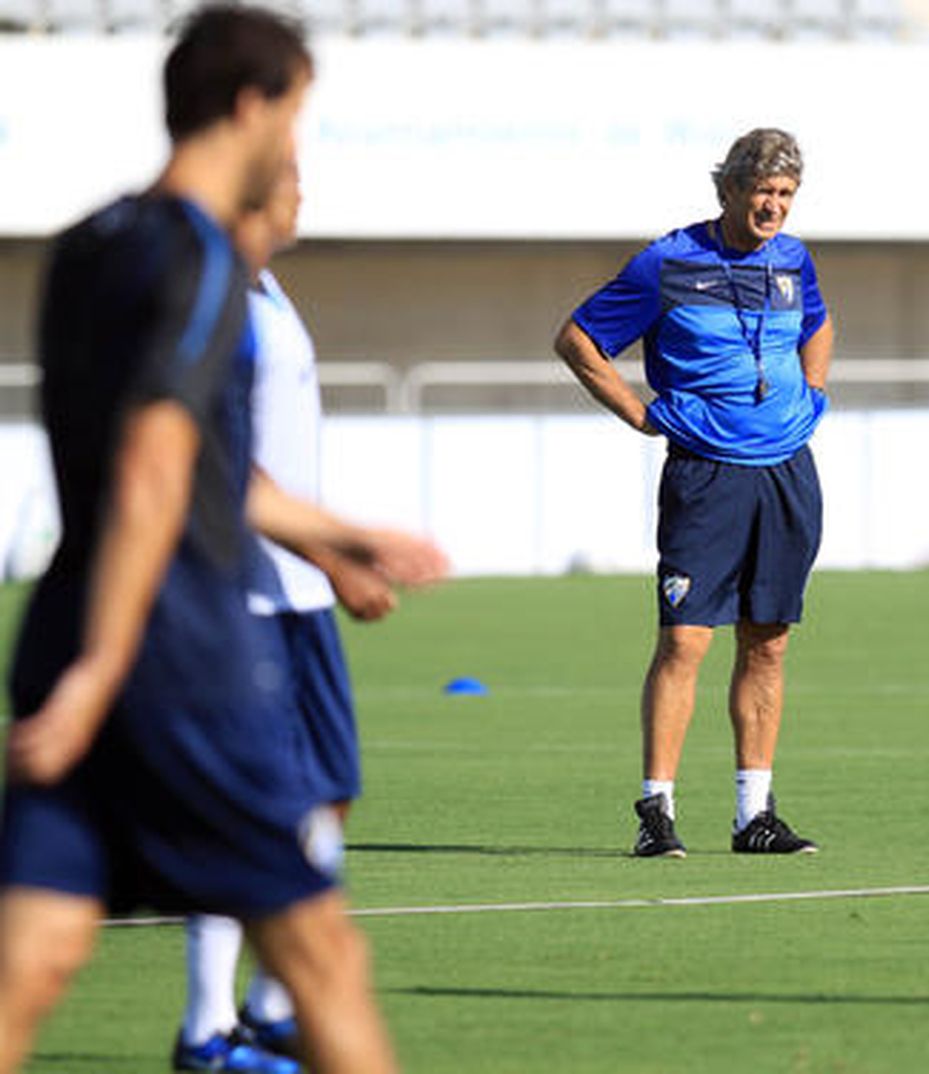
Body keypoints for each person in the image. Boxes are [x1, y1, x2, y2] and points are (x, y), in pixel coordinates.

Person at [0, 8, 427, 1072]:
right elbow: (153, 472)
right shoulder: (199, 260)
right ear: (251, 105)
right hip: (177, 655)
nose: (296, 143)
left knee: (33, 956)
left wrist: (336, 532)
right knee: (323, 960)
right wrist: (109, 671)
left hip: (60, 632)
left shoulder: (88, 245)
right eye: (295, 114)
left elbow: (195, 472)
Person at [172, 157, 445, 1073]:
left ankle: (268, 1006)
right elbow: (228, 471)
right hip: (241, 593)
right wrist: (337, 554)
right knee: (241, 805)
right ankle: (206, 1028)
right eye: (289, 181)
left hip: (296, 595)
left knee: (328, 790)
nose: (302, 194)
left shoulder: (270, 289)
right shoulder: (218, 305)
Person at [554, 128, 835, 858]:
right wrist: (640, 414)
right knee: (685, 640)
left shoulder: (792, 258)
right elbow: (579, 339)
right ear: (729, 191)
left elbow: (818, 324)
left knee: (768, 645)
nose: (774, 208)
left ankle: (754, 816)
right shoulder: (667, 262)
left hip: (786, 472)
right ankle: (657, 812)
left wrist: (813, 394)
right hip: (705, 475)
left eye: (786, 195)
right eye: (762, 194)